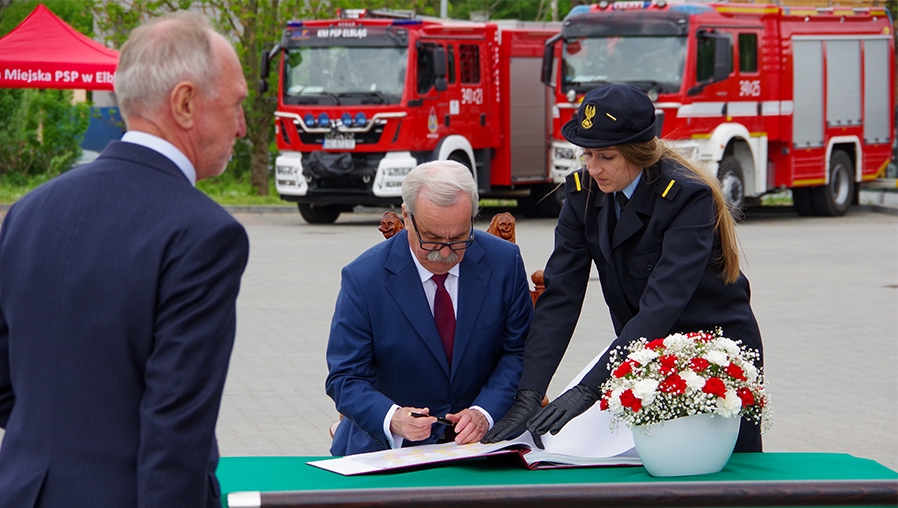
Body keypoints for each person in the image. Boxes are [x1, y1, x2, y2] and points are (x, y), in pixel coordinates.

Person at [0, 12, 249, 508]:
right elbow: (175, 441)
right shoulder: (202, 233)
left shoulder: (31, 210)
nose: (242, 126)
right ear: (185, 103)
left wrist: (71, 437)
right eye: (236, 104)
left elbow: (3, 381)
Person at [483, 84, 764, 453]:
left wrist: (588, 389)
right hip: (643, 349)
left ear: (640, 153)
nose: (593, 167)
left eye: (607, 157)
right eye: (587, 154)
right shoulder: (583, 194)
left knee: (721, 471)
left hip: (711, 354)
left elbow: (661, 306)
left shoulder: (686, 197)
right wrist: (529, 393)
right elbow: (561, 296)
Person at [326, 160, 533, 455]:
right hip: (386, 451)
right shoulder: (363, 278)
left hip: (486, 445)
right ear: (406, 217)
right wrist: (392, 417)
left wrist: (484, 412)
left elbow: (519, 352)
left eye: (460, 238)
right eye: (433, 239)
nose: (445, 253)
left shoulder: (504, 262)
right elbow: (344, 377)